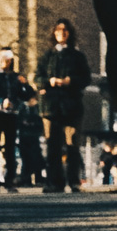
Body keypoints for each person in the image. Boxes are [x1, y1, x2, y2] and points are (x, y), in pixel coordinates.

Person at [36, 20, 91, 193]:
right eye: (59, 30)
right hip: (50, 108)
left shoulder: (77, 56)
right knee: (52, 145)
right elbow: (37, 78)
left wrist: (70, 81)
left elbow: (86, 78)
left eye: (65, 30)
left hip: (72, 106)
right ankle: (54, 182)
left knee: (72, 144)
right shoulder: (47, 56)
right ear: (54, 33)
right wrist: (49, 81)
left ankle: (73, 181)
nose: (62, 32)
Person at [0, 48, 35, 191]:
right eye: (3, 57)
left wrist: (25, 84)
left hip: (11, 115)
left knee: (10, 147)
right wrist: (1, 102)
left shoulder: (15, 77)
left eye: (8, 58)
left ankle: (10, 179)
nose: (6, 60)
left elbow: (28, 95)